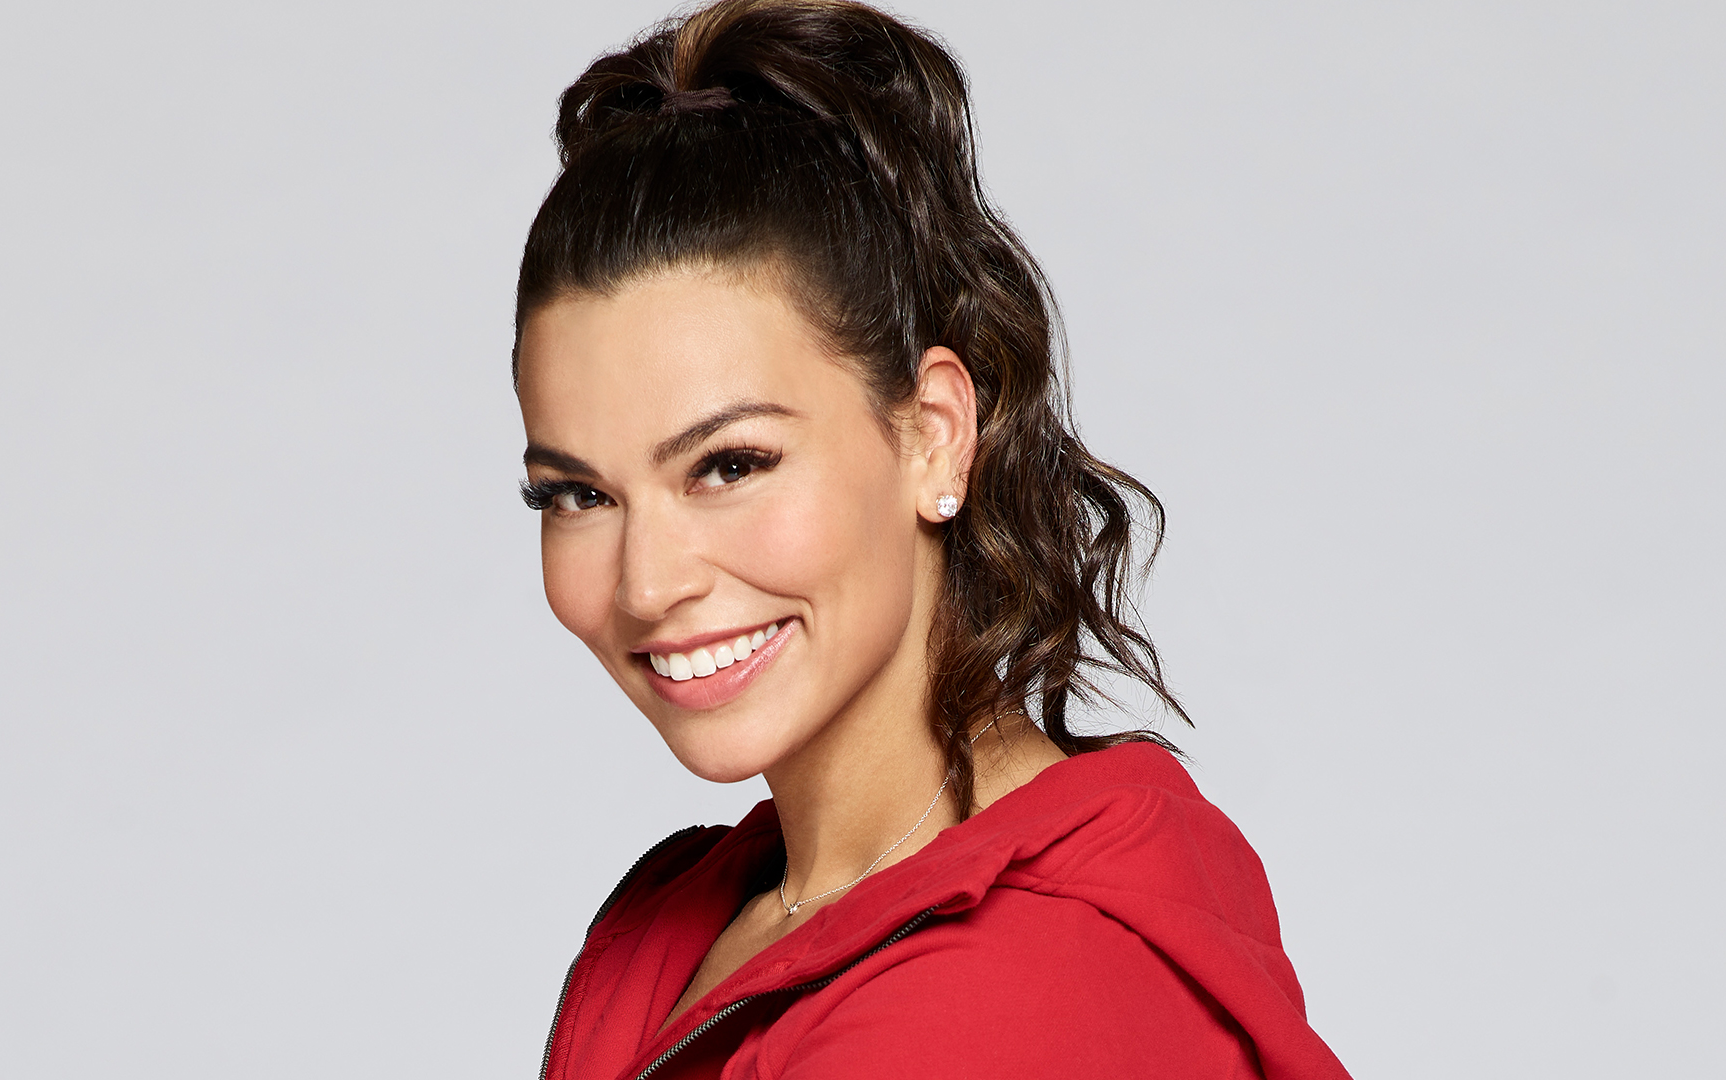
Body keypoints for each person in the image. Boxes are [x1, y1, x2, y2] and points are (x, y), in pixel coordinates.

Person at [513, 2, 1352, 1077]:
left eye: (729, 465)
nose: (645, 584)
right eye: (578, 495)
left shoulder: (1001, 999)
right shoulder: (695, 919)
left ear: (934, 436)